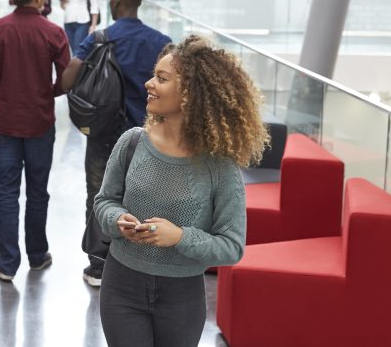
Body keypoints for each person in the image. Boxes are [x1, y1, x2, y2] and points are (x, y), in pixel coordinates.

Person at [94, 35, 267, 347]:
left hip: (181, 298)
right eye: (153, 75)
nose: (149, 83)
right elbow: (105, 201)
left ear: (190, 94)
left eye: (161, 78)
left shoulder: (220, 167)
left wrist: (179, 237)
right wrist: (117, 219)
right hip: (122, 285)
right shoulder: (132, 142)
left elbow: (232, 246)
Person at [62, 0, 172, 287]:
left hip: (104, 134)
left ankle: (98, 265)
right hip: (149, 136)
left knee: (99, 195)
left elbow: (69, 77)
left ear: (114, 0)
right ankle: (137, 264)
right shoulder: (161, 42)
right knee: (144, 197)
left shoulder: (99, 38)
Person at [0, 0, 71, 282]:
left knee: (7, 191)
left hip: (5, 121)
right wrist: (50, 91)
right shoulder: (54, 32)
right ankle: (37, 253)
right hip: (40, 122)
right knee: (37, 192)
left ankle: (7, 263)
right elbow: (67, 79)